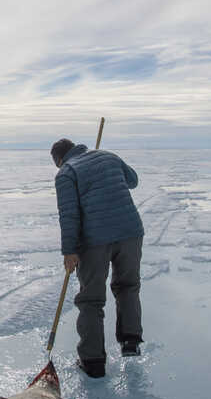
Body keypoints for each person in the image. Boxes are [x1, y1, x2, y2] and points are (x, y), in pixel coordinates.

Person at [51, 137, 145, 378]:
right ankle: (130, 342)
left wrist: (69, 251)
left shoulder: (66, 173)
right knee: (128, 286)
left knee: (91, 300)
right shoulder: (108, 156)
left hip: (95, 241)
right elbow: (133, 180)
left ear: (60, 160)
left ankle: (92, 362)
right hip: (130, 233)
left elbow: (69, 215)